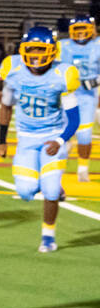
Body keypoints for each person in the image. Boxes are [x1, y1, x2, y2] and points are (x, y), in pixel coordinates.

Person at [0, 26, 80, 252]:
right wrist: (2, 140)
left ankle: (48, 236)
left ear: (52, 51)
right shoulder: (12, 70)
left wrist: (61, 141)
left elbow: (74, 119)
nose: (36, 55)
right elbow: (5, 106)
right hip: (26, 138)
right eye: (31, 49)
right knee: (25, 192)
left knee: (50, 190)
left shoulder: (63, 74)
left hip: (53, 137)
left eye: (41, 50)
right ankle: (51, 185)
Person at [57, 15, 99, 182]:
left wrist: (96, 81)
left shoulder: (98, 45)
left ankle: (83, 168)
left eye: (84, 29)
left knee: (85, 134)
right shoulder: (62, 46)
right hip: (65, 94)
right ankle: (58, 164)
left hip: (87, 95)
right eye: (77, 30)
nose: (81, 33)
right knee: (63, 132)